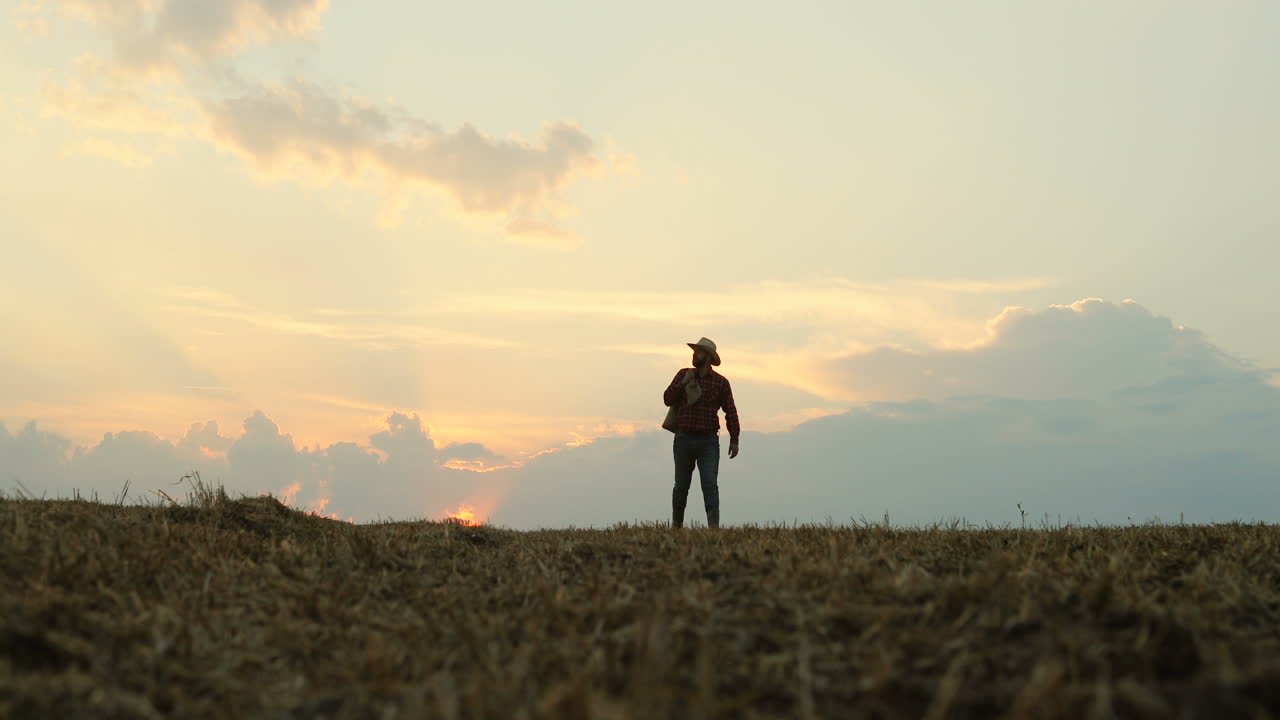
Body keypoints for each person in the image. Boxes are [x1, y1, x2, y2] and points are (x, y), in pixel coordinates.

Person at [663, 337, 740, 529]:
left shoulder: (721, 383)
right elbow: (667, 398)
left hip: (708, 442)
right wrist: (683, 383)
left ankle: (713, 528)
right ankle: (676, 526)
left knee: (709, 484)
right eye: (694, 351)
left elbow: (730, 411)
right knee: (681, 486)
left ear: (707, 356)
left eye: (698, 352)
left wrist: (734, 439)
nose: (694, 355)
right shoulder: (683, 374)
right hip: (683, 439)